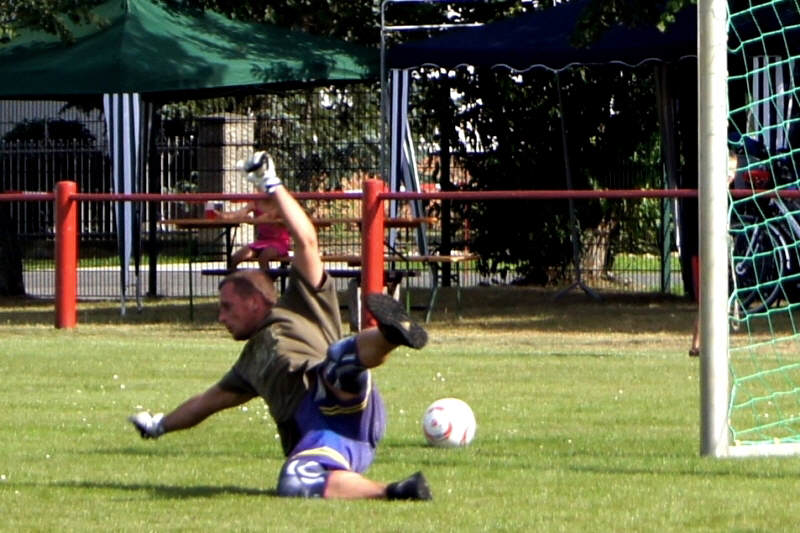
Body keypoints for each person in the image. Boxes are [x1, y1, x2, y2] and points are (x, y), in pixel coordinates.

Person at [129, 152, 432, 500]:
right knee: (294, 481)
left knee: (337, 361)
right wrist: (159, 425)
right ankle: (396, 491)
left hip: (340, 394)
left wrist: (271, 183)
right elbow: (205, 403)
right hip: (325, 436)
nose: (221, 318)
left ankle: (390, 334)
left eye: (227, 308)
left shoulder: (302, 301)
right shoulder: (248, 366)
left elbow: (306, 240)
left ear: (254, 302)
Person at [690, 147, 739, 356]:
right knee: (708, 300)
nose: (730, 174)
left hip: (717, 252)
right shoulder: (710, 193)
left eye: (733, 170)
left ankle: (705, 344)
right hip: (703, 253)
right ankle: (697, 344)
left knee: (717, 300)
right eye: (727, 169)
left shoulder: (726, 195)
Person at [214, 193, 291, 270]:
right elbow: (240, 213)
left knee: (264, 257)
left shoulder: (279, 203)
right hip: (262, 241)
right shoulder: (256, 202)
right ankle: (234, 276)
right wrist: (224, 216)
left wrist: (250, 220)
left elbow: (266, 217)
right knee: (235, 258)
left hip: (279, 242)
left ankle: (266, 277)